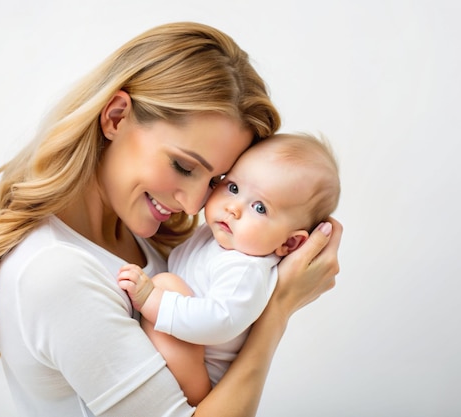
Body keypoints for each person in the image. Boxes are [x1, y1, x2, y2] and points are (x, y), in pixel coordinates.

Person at [0, 22, 343, 417]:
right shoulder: (57, 273)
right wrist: (277, 310)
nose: (193, 204)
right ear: (116, 117)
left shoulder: (140, 236)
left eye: (217, 180)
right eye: (184, 167)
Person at [117, 132, 341, 405]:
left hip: (201, 379)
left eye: (259, 208)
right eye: (233, 187)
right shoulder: (219, 237)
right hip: (187, 355)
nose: (234, 208)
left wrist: (153, 300)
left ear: (290, 242)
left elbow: (220, 320)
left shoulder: (247, 269)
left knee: (166, 284)